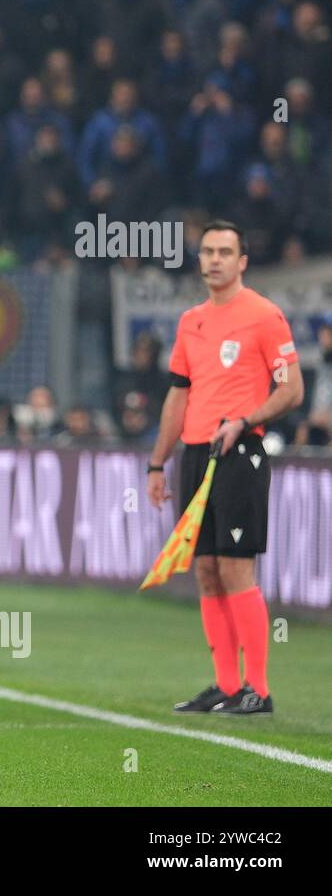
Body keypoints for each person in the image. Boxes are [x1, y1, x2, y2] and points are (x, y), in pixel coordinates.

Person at [147, 220, 304, 715]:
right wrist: (157, 462)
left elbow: (292, 390)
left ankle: (258, 687)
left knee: (238, 568)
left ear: (242, 262)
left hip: (240, 452)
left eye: (225, 252)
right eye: (208, 251)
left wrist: (244, 419)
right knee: (208, 571)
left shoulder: (264, 316)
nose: (215, 259)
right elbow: (178, 394)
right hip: (195, 454)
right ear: (200, 261)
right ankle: (226, 684)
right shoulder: (190, 321)